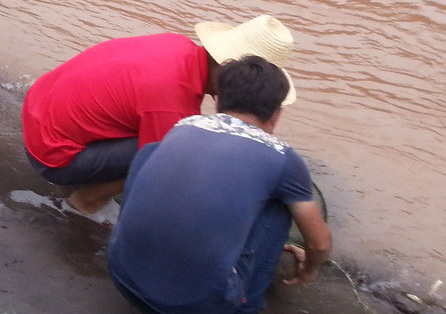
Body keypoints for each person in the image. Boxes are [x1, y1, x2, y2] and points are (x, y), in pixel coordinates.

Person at [106, 56, 331, 314]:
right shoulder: (282, 157)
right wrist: (310, 267)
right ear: (277, 114)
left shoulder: (183, 127)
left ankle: (152, 294)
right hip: (197, 305)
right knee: (280, 207)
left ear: (219, 100)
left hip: (124, 278)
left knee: (151, 154)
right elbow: (319, 242)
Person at [22, 15, 296, 215]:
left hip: (38, 112)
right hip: (51, 155)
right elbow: (163, 173)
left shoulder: (177, 45)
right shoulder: (172, 101)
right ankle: (88, 199)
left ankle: (93, 175)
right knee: (173, 155)